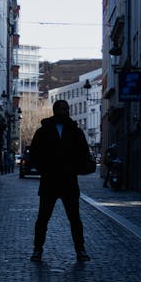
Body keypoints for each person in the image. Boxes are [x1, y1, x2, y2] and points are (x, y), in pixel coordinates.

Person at [29, 99, 91, 262]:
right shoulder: (43, 131)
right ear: (55, 111)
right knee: (43, 218)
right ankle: (37, 249)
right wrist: (44, 169)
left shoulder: (75, 131)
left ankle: (80, 249)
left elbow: (84, 153)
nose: (65, 112)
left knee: (75, 218)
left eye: (67, 109)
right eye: (62, 109)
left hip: (69, 181)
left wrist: (75, 169)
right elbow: (34, 154)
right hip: (49, 181)